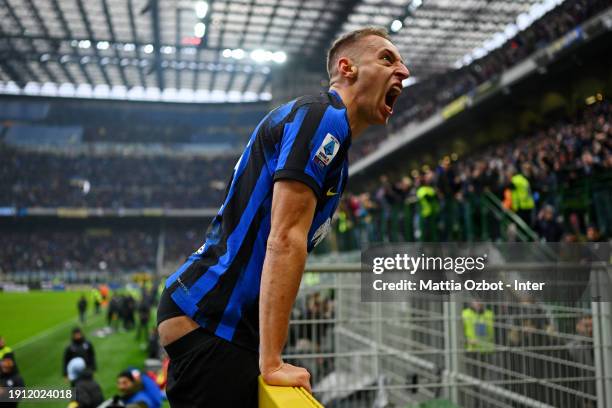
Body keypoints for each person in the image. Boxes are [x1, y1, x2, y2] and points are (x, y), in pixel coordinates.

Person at [157, 26, 409, 407]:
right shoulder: (325, 116)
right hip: (213, 324)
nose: (403, 71)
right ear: (347, 68)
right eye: (387, 58)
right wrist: (272, 361)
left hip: (214, 322)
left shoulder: (328, 134)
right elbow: (285, 238)